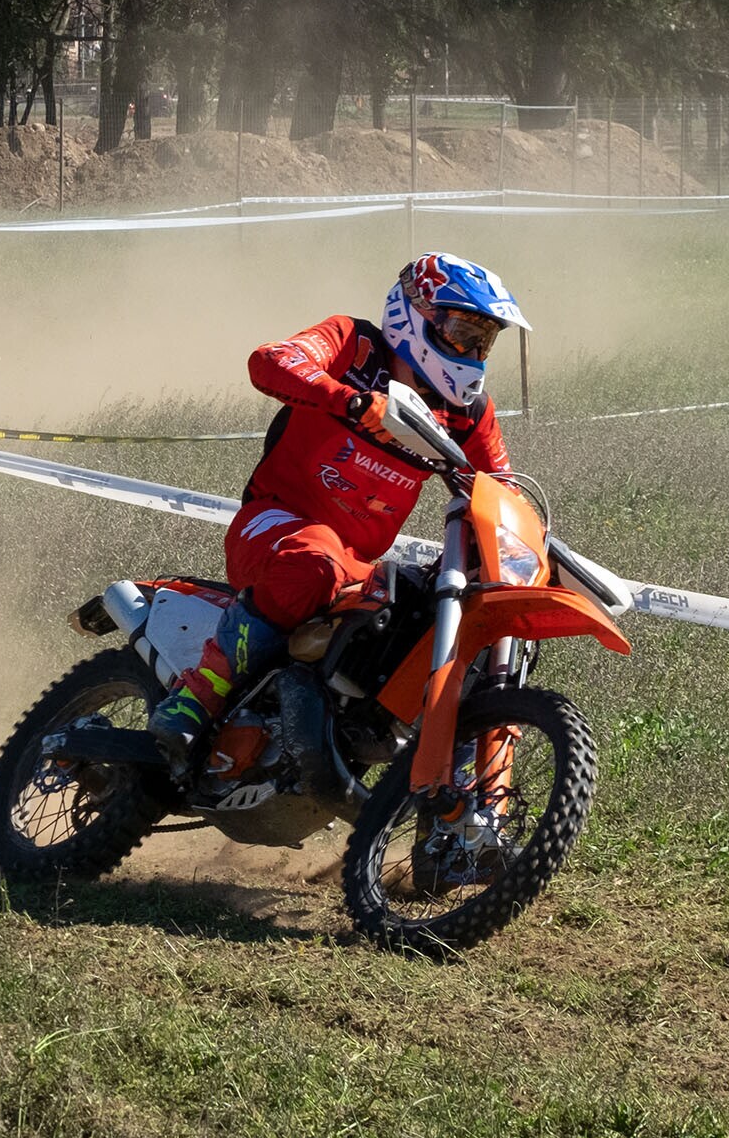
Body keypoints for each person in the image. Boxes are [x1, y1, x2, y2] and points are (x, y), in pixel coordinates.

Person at [148, 252, 527, 770]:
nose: (474, 352)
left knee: (422, 616)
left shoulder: (468, 413)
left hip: (354, 565)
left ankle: (424, 780)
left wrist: (527, 550)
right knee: (316, 561)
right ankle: (198, 694)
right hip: (274, 525)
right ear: (416, 314)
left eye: (484, 341)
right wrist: (350, 400)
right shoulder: (353, 345)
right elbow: (270, 361)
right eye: (463, 333)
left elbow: (501, 489)